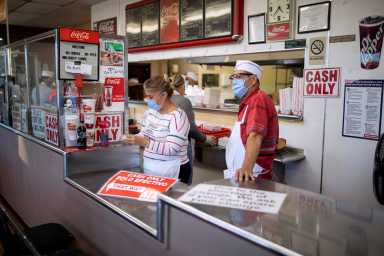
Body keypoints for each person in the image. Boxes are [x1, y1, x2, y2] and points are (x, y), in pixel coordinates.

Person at [125, 76, 191, 184]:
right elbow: (144, 133)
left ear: (164, 95)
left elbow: (172, 149)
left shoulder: (178, 117)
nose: (147, 100)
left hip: (173, 171)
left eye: (151, 97)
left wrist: (145, 142)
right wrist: (133, 138)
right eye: (146, 96)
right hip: (151, 169)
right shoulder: (151, 112)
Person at [226, 60, 279, 181]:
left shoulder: (258, 99)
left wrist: (246, 168)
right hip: (244, 173)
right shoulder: (248, 101)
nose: (234, 81)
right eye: (233, 77)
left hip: (253, 174)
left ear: (253, 80)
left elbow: (255, 135)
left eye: (239, 77)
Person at [170, 74, 209, 184]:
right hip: (181, 148)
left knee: (168, 183)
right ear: (182, 85)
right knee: (183, 184)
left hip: (165, 150)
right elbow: (191, 129)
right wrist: (205, 139)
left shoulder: (163, 99)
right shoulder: (183, 101)